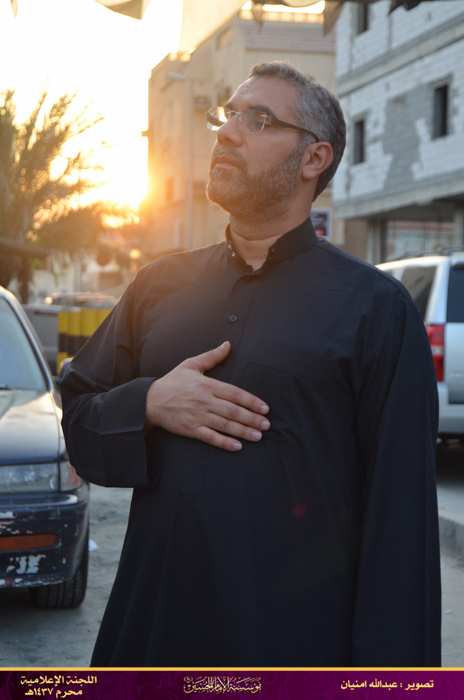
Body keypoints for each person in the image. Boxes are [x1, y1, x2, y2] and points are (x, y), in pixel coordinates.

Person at [61, 61, 441, 667]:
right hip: (153, 635)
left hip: (294, 650)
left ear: (314, 158)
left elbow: (401, 525)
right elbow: (79, 413)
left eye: (257, 120)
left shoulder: (377, 310)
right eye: (227, 115)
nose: (226, 132)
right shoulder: (157, 285)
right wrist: (149, 402)